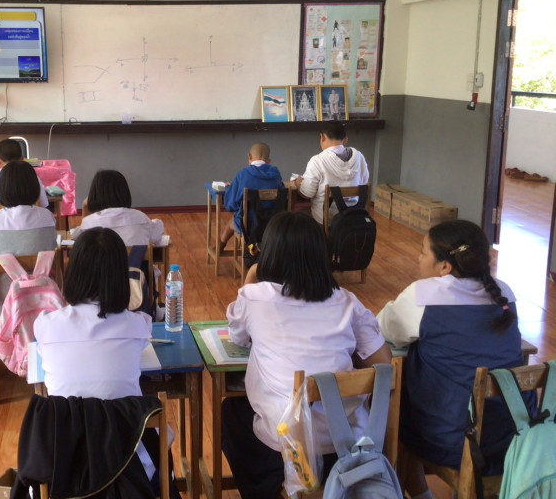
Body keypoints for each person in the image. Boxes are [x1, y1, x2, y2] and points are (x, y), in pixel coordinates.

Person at [221, 211, 391, 499]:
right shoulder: (347, 301)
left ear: (269, 254)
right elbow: (384, 363)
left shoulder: (256, 296)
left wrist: (251, 277)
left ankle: (272, 488)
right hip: (348, 445)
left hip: (289, 447)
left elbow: (238, 336)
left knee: (231, 413)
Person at [376, 220, 530, 499]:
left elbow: (382, 329)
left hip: (454, 440)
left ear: (445, 267)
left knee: (392, 408)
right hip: (513, 437)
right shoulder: (504, 293)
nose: (418, 258)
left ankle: (419, 493)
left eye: (423, 252)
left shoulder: (424, 295)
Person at [33, 227, 177, 497]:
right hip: (129, 467)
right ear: (122, 278)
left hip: (65, 466)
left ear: (73, 273)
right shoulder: (139, 325)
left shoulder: (46, 325)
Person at [0, 160, 57, 319]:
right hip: (43, 302)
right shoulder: (48, 218)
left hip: (1, 307)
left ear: (2, 189)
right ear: (35, 187)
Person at [292, 122, 369, 225]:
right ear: (345, 140)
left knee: (300, 215)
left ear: (322, 137)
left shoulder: (317, 161)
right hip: (355, 217)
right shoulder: (359, 157)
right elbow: (364, 183)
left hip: (327, 221)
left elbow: (307, 194)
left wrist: (298, 184)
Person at [72, 170, 164, 246]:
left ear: (94, 194)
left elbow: (76, 238)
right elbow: (157, 233)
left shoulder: (89, 223)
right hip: (133, 263)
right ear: (125, 192)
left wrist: (85, 207)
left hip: (100, 264)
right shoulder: (141, 217)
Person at [219, 142, 283, 249]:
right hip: (272, 225)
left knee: (233, 220)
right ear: (268, 161)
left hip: (249, 226)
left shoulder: (243, 175)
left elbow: (230, 205)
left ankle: (221, 245)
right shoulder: (276, 175)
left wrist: (230, 188)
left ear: (249, 156)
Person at [0, 139, 48, 208]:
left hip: (0, 215)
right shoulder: (32, 176)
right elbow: (43, 204)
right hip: (31, 216)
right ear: (22, 158)